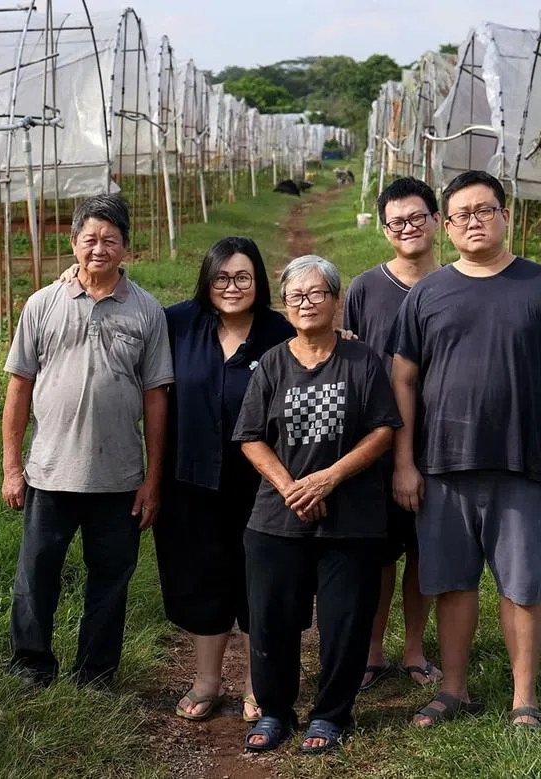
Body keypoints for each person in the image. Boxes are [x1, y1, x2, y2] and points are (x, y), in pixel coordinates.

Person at [390, 170, 541, 730]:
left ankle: (524, 700)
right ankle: (453, 689)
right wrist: (403, 462)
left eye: (484, 210)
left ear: (506, 215)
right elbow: (403, 380)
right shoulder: (428, 294)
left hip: (521, 462)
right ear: (445, 226)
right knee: (452, 582)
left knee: (523, 585)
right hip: (442, 463)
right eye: (461, 214)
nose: (474, 221)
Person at [2, 193, 174, 689]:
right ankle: (31, 665)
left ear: (126, 250)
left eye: (110, 240)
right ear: (73, 242)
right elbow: (19, 388)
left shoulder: (146, 311)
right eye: (90, 239)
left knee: (110, 580)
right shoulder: (43, 304)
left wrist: (152, 479)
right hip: (50, 472)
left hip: (119, 476)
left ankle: (96, 672)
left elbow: (157, 398)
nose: (99, 249)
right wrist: (13, 468)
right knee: (36, 575)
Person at [234, 255, 402, 755]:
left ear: (336, 300)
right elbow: (249, 436)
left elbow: (383, 430)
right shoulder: (272, 363)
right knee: (271, 618)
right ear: (285, 307)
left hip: (351, 517)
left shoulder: (362, 360)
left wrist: (328, 479)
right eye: (295, 296)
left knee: (345, 620)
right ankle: (276, 710)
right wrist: (291, 487)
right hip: (276, 514)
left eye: (316, 294)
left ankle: (331, 714)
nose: (306, 304)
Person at [155, 237, 295, 723]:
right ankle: (207, 680)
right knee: (201, 577)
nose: (232, 287)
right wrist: (75, 277)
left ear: (258, 282)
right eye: (222, 278)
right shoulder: (177, 324)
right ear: (206, 281)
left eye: (243, 278)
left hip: (264, 482)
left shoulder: (280, 330)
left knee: (262, 580)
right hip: (191, 479)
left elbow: (324, 347)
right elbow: (126, 316)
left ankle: (258, 682)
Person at [344, 176, 443, 692]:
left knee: (425, 549)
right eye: (396, 222)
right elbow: (353, 358)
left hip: (439, 438)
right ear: (385, 231)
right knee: (379, 551)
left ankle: (414, 650)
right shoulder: (366, 288)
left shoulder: (456, 282)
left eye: (416, 218)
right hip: (378, 440)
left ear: (436, 220)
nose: (408, 228)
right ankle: (373, 650)